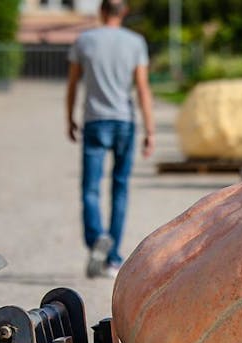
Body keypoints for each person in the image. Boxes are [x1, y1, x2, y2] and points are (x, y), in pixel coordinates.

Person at [65, 0, 154, 279]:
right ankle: (113, 258)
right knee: (120, 188)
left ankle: (96, 239)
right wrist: (149, 130)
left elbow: (72, 85)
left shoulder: (85, 41)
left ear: (101, 12)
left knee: (90, 187)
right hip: (124, 122)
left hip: (95, 121)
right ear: (124, 12)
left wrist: (70, 118)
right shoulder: (135, 42)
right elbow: (142, 88)